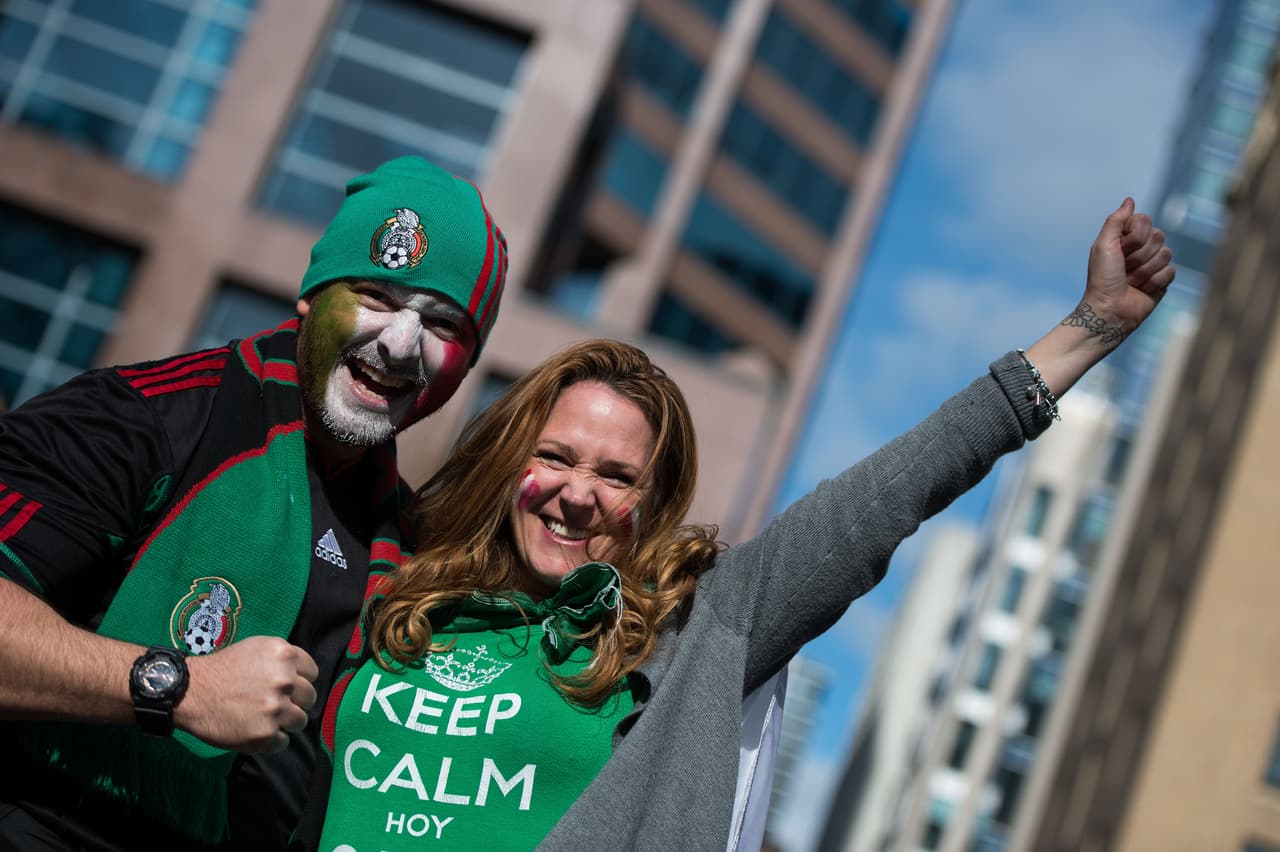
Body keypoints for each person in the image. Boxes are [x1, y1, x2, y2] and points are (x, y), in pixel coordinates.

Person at [299, 198, 1175, 850]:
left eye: (615, 477)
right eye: (557, 457)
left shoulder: (699, 632)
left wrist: (1091, 327)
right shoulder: (390, 584)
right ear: (509, 463)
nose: (576, 493)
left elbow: (885, 497)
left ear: (649, 504)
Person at [0, 155, 508, 850]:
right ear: (311, 295)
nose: (399, 343)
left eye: (443, 325)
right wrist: (176, 687)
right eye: (377, 295)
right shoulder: (145, 419)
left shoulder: (416, 551)